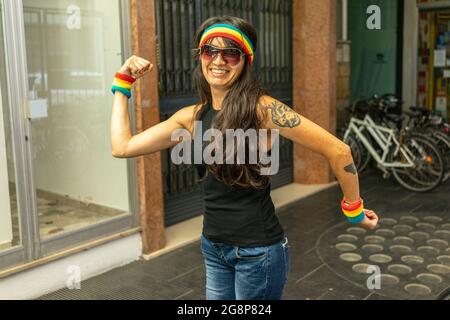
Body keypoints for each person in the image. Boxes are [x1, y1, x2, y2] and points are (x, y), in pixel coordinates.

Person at [110, 16, 379, 300]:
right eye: (209, 51)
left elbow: (339, 151)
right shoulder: (192, 117)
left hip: (257, 252)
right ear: (200, 57)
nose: (218, 60)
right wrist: (123, 83)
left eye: (231, 53)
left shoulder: (262, 110)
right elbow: (122, 147)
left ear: (245, 60)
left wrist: (354, 211)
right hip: (213, 247)